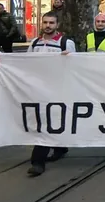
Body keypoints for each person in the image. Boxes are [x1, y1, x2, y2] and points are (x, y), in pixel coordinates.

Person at [26, 11, 76, 176]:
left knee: (46, 124)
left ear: (57, 25)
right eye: (45, 22)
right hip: (39, 90)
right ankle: (60, 148)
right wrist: (3, 61)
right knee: (46, 122)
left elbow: (75, 67)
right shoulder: (34, 43)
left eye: (51, 23)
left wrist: (68, 59)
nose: (48, 26)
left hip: (58, 91)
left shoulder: (65, 43)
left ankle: (37, 161)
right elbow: (26, 64)